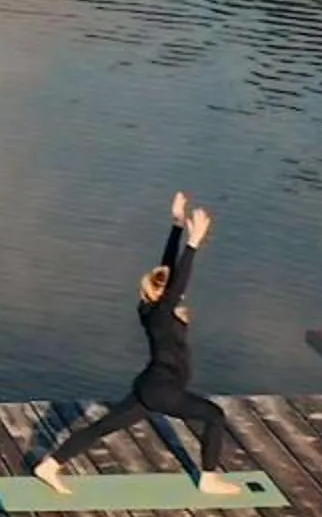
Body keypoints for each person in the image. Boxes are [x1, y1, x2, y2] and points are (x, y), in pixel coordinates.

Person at [32, 192, 241, 497]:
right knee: (214, 416)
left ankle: (49, 465)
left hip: (150, 387)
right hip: (163, 391)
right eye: (172, 293)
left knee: (101, 428)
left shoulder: (149, 307)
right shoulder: (160, 313)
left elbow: (168, 269)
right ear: (163, 296)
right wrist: (193, 244)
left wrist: (176, 224)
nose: (179, 294)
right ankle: (208, 479)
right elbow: (178, 282)